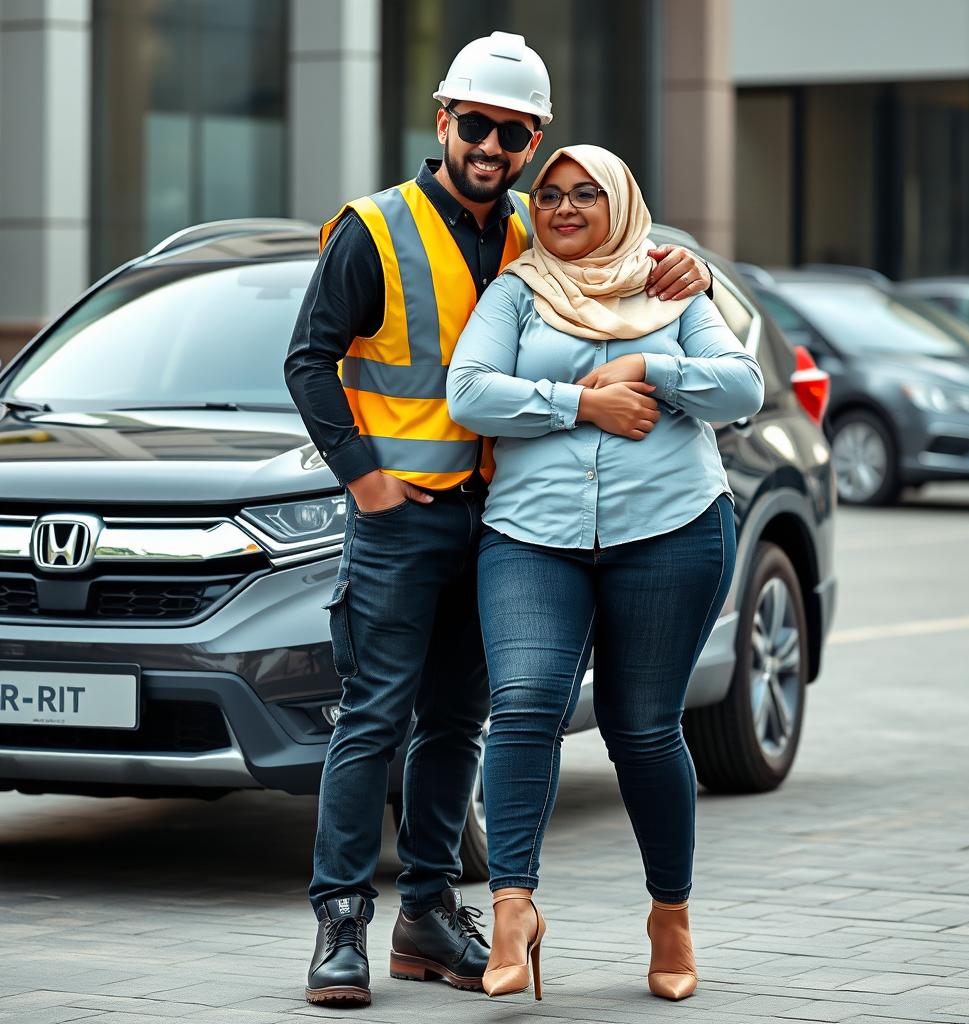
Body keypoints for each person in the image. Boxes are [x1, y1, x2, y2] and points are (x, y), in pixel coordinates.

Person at [284, 31, 713, 1007]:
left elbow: (627, 265)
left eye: (512, 132)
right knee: (372, 720)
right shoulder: (375, 228)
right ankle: (341, 922)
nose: (491, 145)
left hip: (499, 526)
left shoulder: (535, 224)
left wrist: (677, 264)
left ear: (532, 141)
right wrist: (363, 480)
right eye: (475, 124)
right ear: (442, 122)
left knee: (454, 726)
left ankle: (429, 916)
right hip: (400, 519)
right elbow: (307, 361)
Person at [447, 144, 765, 1002]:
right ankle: (513, 907)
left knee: (642, 728)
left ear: (621, 202)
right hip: (532, 534)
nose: (565, 206)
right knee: (523, 703)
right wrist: (580, 402)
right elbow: (469, 392)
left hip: (670, 530)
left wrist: (647, 367)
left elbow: (742, 389)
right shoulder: (517, 290)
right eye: (549, 193)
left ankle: (671, 916)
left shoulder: (668, 282)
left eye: (587, 192)